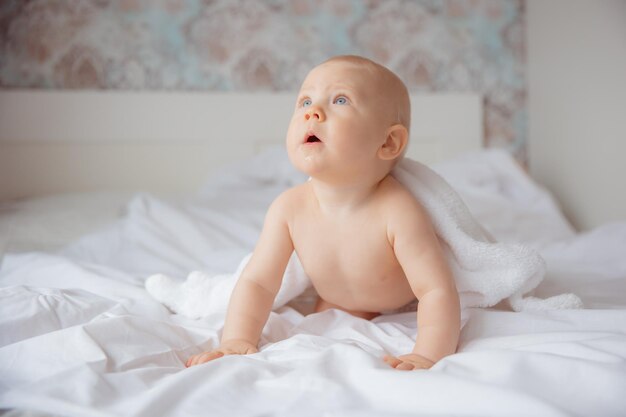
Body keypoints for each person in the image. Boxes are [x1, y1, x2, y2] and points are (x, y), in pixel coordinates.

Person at [186, 55, 460, 371]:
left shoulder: (398, 210)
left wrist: (427, 354)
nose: (312, 112)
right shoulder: (289, 208)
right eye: (304, 101)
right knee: (323, 324)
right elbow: (258, 282)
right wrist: (236, 339)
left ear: (388, 142)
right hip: (335, 303)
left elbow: (434, 289)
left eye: (340, 99)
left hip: (399, 304)